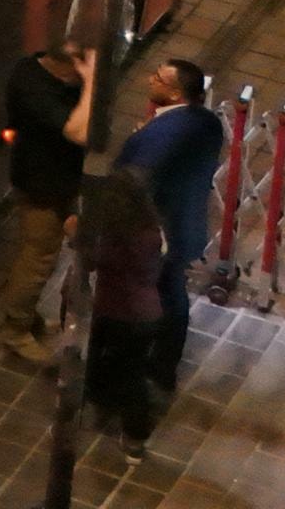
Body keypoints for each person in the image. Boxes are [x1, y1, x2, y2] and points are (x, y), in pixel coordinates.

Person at [116, 58, 227, 416]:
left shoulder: (162, 134)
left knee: (155, 296)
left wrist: (140, 140)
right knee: (172, 290)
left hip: (158, 231)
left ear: (174, 92)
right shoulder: (206, 123)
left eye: (158, 79)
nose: (150, 80)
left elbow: (136, 178)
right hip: (186, 225)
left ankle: (151, 367)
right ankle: (164, 364)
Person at [0, 40, 94, 342]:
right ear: (68, 70)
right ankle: (16, 329)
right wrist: (91, 83)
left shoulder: (29, 68)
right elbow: (80, 132)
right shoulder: (38, 92)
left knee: (41, 253)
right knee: (38, 257)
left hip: (50, 176)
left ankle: (28, 317)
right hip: (43, 182)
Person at [76, 170, 171, 451]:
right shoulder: (151, 229)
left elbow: (96, 261)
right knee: (129, 371)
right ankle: (128, 431)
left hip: (119, 313)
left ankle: (132, 435)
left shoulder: (120, 237)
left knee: (122, 373)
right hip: (147, 313)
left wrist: (77, 236)